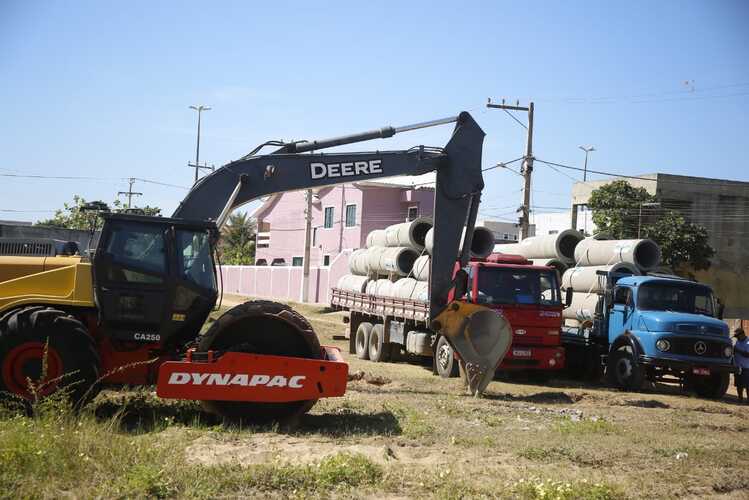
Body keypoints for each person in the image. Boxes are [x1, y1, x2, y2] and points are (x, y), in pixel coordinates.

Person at [733, 328, 749, 404]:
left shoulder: (748, 342)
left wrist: (737, 350)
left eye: (738, 336)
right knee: (739, 385)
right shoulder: (738, 341)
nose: (737, 338)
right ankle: (740, 398)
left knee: (747, 385)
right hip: (738, 366)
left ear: (742, 334)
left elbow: (747, 354)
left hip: (746, 367)